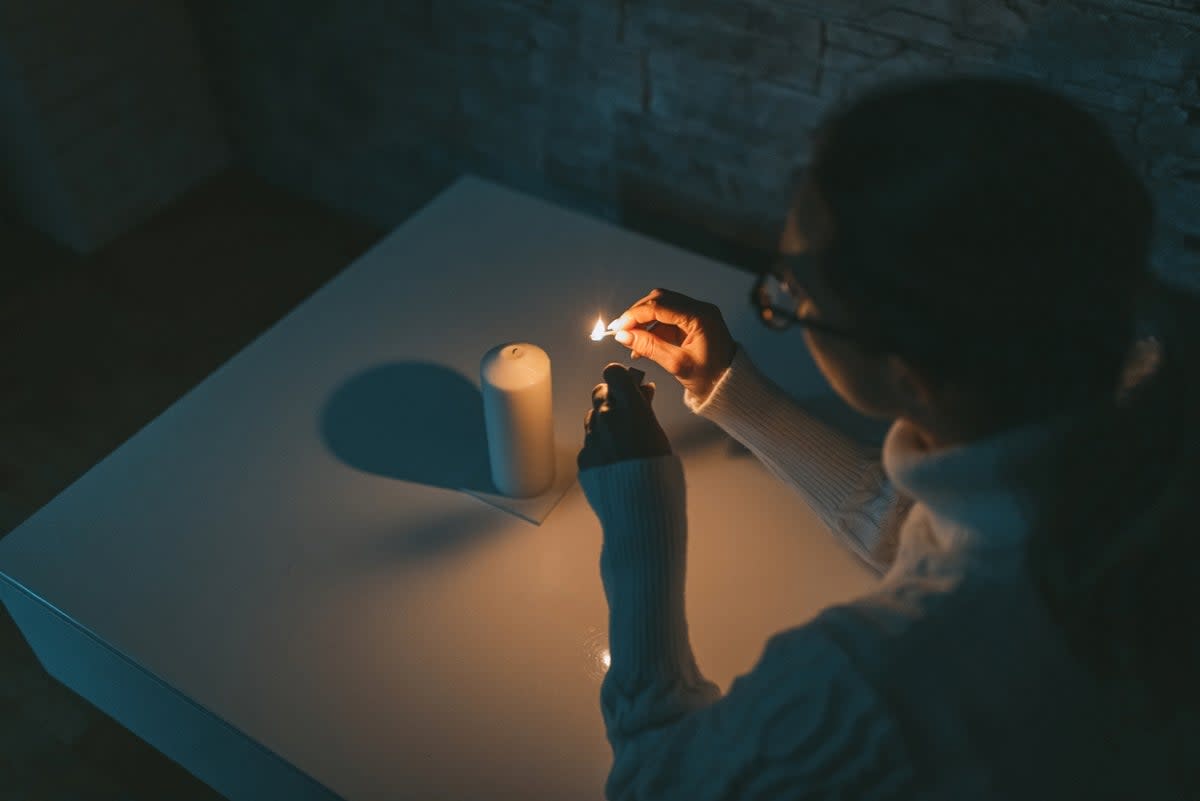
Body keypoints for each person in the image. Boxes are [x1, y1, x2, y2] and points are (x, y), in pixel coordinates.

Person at [576, 74, 1200, 800]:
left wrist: (638, 518)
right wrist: (731, 388)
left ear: (912, 375)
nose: (781, 300)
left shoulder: (875, 685)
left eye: (795, 294)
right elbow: (926, 532)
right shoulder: (1133, 433)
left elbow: (659, 782)